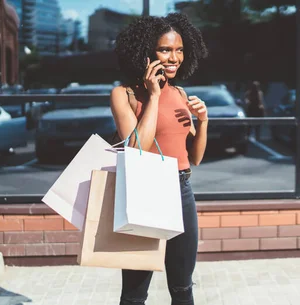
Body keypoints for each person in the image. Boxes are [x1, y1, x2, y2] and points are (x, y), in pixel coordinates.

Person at [109, 13, 209, 305]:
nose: (174, 57)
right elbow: (137, 147)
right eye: (165, 50)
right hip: (145, 191)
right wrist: (152, 97)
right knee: (135, 293)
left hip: (182, 189)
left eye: (179, 50)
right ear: (146, 52)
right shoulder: (124, 94)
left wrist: (203, 122)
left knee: (182, 287)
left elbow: (195, 157)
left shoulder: (180, 93)